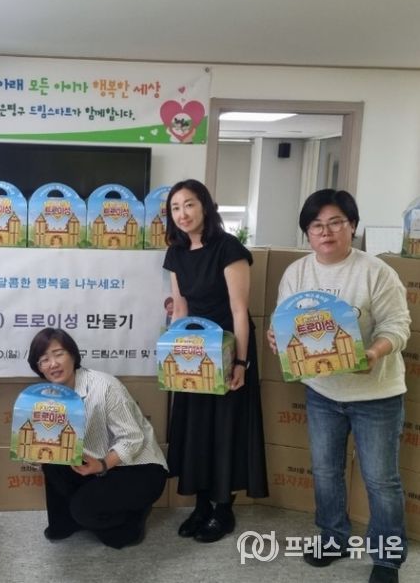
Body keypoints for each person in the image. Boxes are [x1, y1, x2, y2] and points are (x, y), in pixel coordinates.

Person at [267, 189, 410, 583]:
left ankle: (387, 558)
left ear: (353, 226)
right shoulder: (297, 273)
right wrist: (277, 338)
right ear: (307, 233)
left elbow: (398, 326)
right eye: (316, 226)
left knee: (381, 480)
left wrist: (374, 353)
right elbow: (283, 321)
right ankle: (333, 539)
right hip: (322, 391)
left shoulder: (376, 272)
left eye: (335, 223)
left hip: (376, 394)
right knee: (326, 471)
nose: (325, 232)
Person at [163, 179, 268, 543]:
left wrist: (241, 363)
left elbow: (239, 311)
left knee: (225, 427)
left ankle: (223, 508)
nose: (183, 214)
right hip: (194, 351)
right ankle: (201, 505)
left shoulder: (228, 248)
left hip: (227, 348)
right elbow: (180, 309)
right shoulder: (176, 253)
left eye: (189, 204)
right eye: (175, 208)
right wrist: (172, 356)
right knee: (196, 427)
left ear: (206, 206)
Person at [27, 327, 168, 549]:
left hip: (137, 467)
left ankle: (134, 515)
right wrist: (36, 454)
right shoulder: (47, 398)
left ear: (73, 355)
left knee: (107, 529)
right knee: (52, 460)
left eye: (58, 354)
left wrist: (102, 465)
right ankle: (66, 521)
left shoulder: (104, 386)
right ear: (39, 368)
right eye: (44, 360)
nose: (52, 364)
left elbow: (132, 438)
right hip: (93, 463)